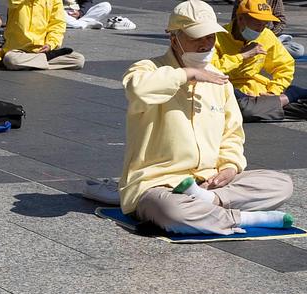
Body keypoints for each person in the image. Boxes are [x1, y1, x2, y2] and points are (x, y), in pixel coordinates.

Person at [119, 0, 294, 235]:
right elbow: (137, 90)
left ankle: (208, 202)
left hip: (209, 181)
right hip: (158, 183)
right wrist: (187, 74)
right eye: (197, 37)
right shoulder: (148, 68)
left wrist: (230, 167)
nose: (206, 44)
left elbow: (231, 134)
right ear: (174, 38)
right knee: (171, 210)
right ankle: (243, 216)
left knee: (281, 184)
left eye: (210, 37)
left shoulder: (218, 80)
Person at [213, 0, 306, 121]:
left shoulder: (266, 35)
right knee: (244, 109)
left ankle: (269, 105)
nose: (261, 28)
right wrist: (242, 56)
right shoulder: (217, 37)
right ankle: (284, 99)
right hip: (229, 90)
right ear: (240, 19)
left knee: (248, 110)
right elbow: (211, 70)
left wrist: (274, 92)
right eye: (257, 23)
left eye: (265, 24)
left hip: (259, 91)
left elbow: (285, 66)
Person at [1, 0, 85, 70]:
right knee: (11, 60)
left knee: (78, 60)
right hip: (18, 50)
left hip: (41, 49)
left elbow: (57, 24)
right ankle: (43, 60)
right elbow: (13, 2)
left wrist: (50, 44)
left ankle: (33, 63)